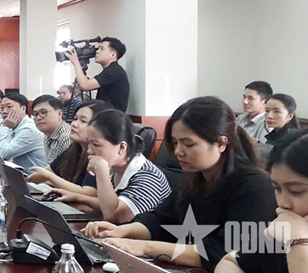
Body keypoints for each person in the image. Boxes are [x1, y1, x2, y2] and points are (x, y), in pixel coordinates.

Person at [81, 97, 275, 271]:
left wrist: (144, 247)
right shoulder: (195, 178)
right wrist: (122, 231)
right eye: (175, 143)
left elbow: (224, 253)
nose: (178, 152)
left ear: (221, 143)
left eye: (188, 144)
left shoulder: (255, 187)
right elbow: (160, 220)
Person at [48, 110, 170, 223]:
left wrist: (101, 171)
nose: (89, 151)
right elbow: (110, 204)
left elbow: (113, 217)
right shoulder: (116, 166)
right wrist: (78, 197)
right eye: (89, 143)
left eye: (96, 144)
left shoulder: (147, 178)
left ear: (121, 147)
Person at [216, 131, 308, 273]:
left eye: (296, 191)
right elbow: (230, 262)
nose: (282, 203)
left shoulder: (293, 230)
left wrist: (298, 242)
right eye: (277, 188)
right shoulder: (285, 227)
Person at [26, 100, 113, 193]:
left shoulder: (100, 155)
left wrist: (49, 177)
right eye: (75, 119)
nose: (74, 124)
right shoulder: (75, 148)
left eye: (83, 121)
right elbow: (50, 170)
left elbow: (89, 192)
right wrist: (26, 179)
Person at [67, 37, 130, 112]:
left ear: (113, 55)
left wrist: (76, 62)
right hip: (107, 115)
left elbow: (85, 85)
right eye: (98, 48)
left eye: (101, 49)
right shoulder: (111, 70)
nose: (97, 51)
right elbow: (84, 85)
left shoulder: (114, 71)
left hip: (112, 117)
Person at [31, 95, 72, 164]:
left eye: (43, 112)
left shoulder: (67, 137)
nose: (38, 118)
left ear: (59, 114)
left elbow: (65, 169)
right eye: (35, 114)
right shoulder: (47, 135)